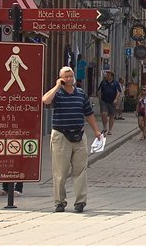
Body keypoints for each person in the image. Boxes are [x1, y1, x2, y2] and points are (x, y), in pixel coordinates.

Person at [42, 66, 102, 213]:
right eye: (66, 76)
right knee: (60, 171)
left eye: (71, 76)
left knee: (80, 170)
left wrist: (96, 131)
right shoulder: (57, 93)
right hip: (61, 136)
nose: (69, 79)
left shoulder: (81, 94)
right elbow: (45, 101)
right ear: (61, 78)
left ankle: (80, 201)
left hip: (79, 135)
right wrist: (57, 86)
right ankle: (60, 202)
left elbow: (88, 114)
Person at [97, 71, 121, 135]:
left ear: (112, 76)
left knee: (111, 115)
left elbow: (118, 92)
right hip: (104, 101)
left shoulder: (115, 83)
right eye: (106, 74)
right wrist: (99, 99)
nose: (107, 76)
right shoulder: (103, 82)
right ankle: (105, 127)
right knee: (104, 113)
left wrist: (116, 99)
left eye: (108, 75)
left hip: (112, 101)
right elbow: (99, 91)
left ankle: (110, 130)